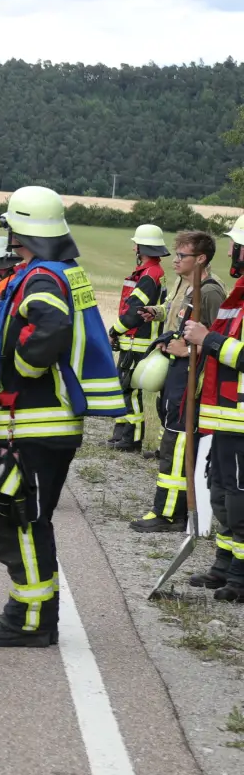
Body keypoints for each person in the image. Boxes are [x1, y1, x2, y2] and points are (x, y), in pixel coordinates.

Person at [0, 186, 127, 647]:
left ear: (22, 229)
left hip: (32, 427)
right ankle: (28, 612)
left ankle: (31, 622)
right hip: (39, 426)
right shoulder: (61, 272)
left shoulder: (42, 278)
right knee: (21, 521)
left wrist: (26, 368)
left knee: (21, 523)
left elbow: (50, 328)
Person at [133, 230, 224, 532]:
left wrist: (186, 350)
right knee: (171, 435)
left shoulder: (210, 292)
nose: (175, 260)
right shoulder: (184, 283)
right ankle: (171, 508)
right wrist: (156, 315)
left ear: (200, 258)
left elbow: (215, 338)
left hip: (191, 376)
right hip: (175, 371)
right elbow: (176, 318)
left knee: (179, 438)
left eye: (182, 255)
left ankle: (170, 514)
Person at [182, 214, 244, 602]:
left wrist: (210, 340)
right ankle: (224, 565)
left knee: (239, 500)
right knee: (221, 494)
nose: (234, 252)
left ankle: (240, 576)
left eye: (237, 245)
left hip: (241, 420)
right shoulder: (239, 295)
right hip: (225, 415)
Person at [107, 224, 169, 452]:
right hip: (137, 340)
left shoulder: (149, 275)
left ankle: (131, 438)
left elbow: (134, 311)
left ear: (141, 247)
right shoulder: (152, 273)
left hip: (137, 341)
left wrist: (114, 330)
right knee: (125, 388)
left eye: (136, 243)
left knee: (130, 389)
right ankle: (121, 432)